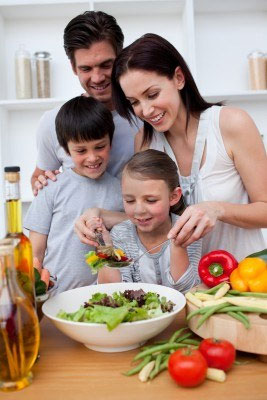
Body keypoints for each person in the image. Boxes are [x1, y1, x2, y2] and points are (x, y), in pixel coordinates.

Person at [109, 33, 267, 261]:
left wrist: (218, 209)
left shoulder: (231, 124)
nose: (146, 110)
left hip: (244, 282)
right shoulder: (145, 142)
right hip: (182, 287)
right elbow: (148, 216)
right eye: (134, 102)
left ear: (179, 78)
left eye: (152, 94)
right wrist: (100, 216)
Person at [31, 11, 141, 195]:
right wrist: (40, 183)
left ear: (121, 58)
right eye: (86, 68)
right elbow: (39, 176)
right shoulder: (52, 122)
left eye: (106, 65)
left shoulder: (145, 114)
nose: (97, 78)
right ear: (74, 67)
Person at [24, 96, 124, 294]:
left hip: (105, 297)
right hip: (55, 295)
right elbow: (36, 252)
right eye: (81, 150)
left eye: (99, 146)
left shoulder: (121, 190)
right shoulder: (51, 187)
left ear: (110, 142)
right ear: (66, 150)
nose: (92, 157)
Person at [89, 150, 201, 293]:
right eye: (129, 200)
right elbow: (112, 291)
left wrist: (179, 246)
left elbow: (188, 290)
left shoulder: (188, 229)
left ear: (173, 196)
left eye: (151, 200)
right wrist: (105, 248)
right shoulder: (120, 234)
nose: (139, 210)